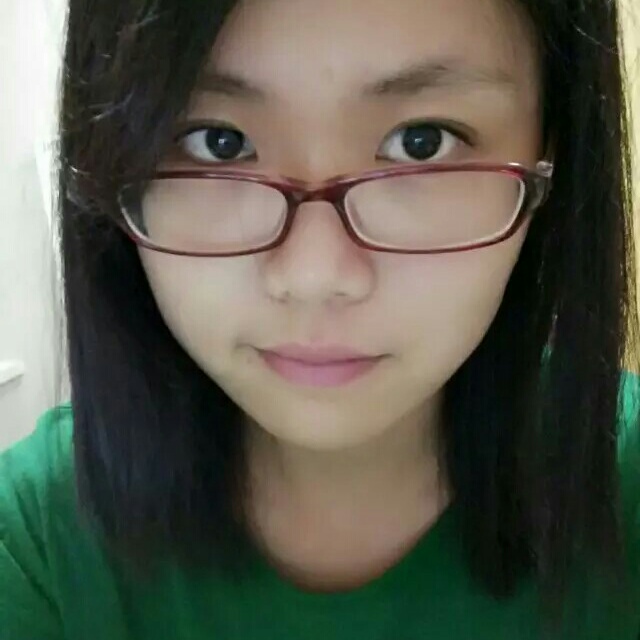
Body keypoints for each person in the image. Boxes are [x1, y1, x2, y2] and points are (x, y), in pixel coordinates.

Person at [1, 0, 639, 637]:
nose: (313, 276)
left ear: (552, 155)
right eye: (219, 142)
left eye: (422, 142)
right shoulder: (33, 543)